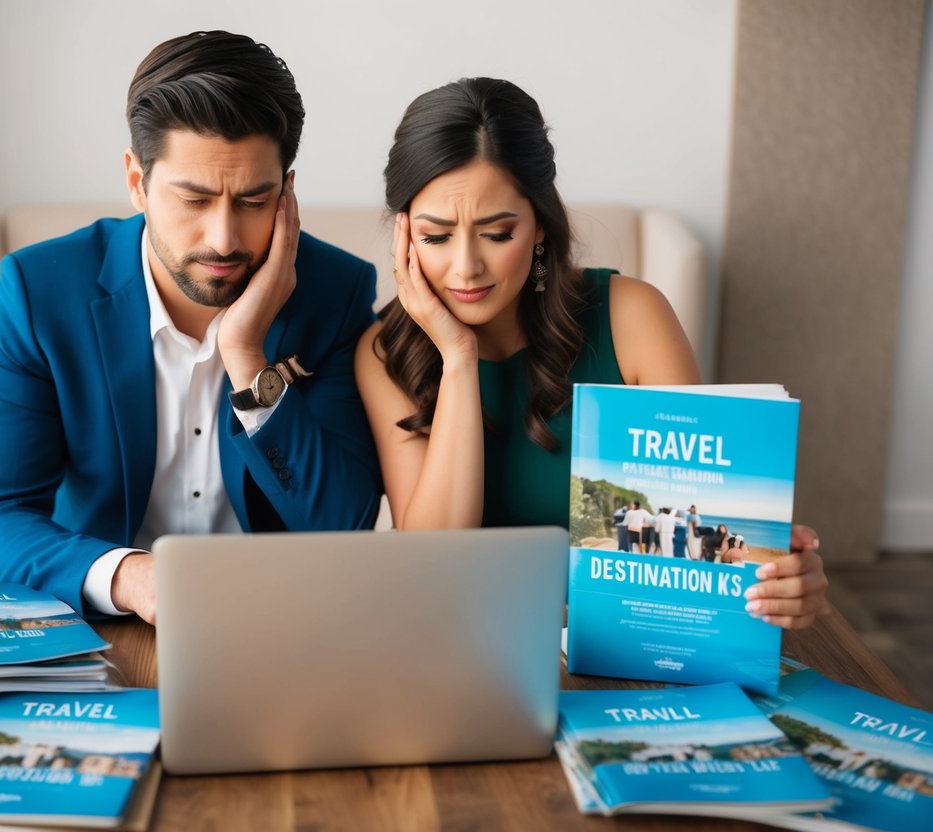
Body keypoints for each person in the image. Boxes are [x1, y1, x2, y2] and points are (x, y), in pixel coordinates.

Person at [354, 77, 827, 629]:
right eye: (436, 238)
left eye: (497, 233)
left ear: (538, 226)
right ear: (405, 237)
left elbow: (701, 533)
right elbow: (432, 563)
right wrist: (458, 358)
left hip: (630, 639)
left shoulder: (632, 317)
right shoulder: (384, 353)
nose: (466, 268)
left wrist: (779, 582)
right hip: (462, 643)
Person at [0, 31, 383, 625]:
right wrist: (130, 577)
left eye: (253, 201)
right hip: (105, 625)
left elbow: (345, 526)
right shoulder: (41, 292)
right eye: (195, 200)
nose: (224, 240)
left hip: (280, 625)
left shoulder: (336, 292)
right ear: (137, 182)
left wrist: (247, 356)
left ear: (287, 193)